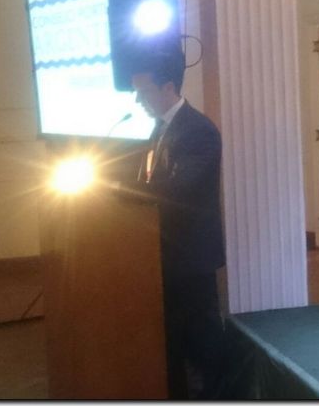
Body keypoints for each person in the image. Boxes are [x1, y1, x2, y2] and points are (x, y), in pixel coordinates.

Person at [128, 53, 226, 399]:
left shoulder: (199, 131)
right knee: (172, 335)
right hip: (165, 253)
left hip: (191, 255)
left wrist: (126, 191)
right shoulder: (159, 128)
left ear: (168, 87)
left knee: (203, 338)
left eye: (144, 91)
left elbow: (178, 190)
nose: (138, 100)